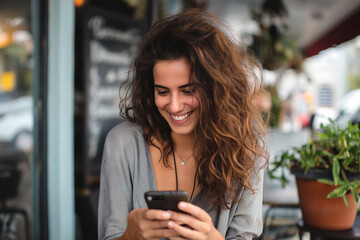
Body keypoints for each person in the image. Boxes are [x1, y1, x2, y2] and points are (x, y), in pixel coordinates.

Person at [98, 8, 269, 240]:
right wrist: (130, 236)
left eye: (188, 90)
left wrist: (212, 237)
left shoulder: (247, 149)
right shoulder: (124, 143)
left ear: (215, 89)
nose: (175, 106)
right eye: (162, 91)